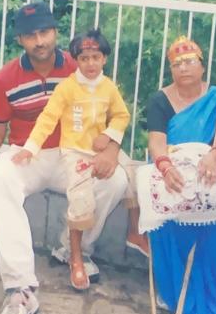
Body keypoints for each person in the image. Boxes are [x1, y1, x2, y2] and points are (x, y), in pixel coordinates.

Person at [0, 1, 129, 314]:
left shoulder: (80, 64)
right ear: (20, 40)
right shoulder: (5, 78)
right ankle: (20, 289)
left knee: (116, 180)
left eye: (44, 32)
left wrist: (112, 149)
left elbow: (116, 114)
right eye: (30, 35)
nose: (39, 41)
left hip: (75, 153)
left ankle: (72, 249)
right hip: (28, 154)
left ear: (55, 32)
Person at [136, 36, 216, 314]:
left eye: (189, 62)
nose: (184, 68)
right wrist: (165, 166)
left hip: (210, 162)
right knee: (166, 209)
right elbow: (157, 142)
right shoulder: (160, 99)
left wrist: (214, 155)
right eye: (177, 64)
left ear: (202, 66)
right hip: (172, 163)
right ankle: (173, 289)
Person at [12, 29, 130, 290]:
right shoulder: (67, 88)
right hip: (75, 153)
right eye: (84, 58)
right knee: (80, 198)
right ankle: (76, 258)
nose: (90, 64)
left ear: (104, 58)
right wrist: (30, 148)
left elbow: (122, 116)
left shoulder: (109, 87)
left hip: (100, 152)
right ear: (76, 60)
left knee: (124, 179)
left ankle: (83, 246)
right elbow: (47, 118)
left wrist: (108, 135)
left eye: (95, 57)